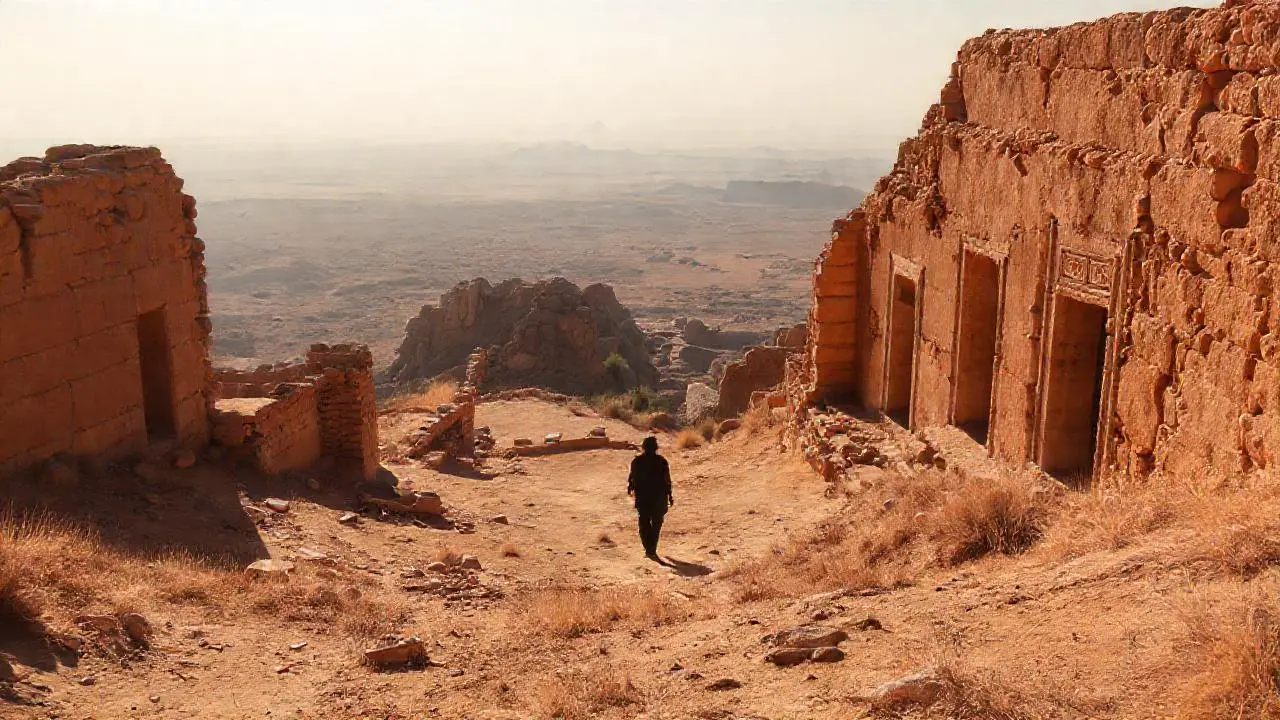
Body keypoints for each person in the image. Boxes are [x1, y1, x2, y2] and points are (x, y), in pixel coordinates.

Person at [627, 436, 674, 560]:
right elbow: (667, 481)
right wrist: (670, 495)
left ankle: (649, 548)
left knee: (644, 523)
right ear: (656, 448)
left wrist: (630, 488)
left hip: (643, 498)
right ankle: (651, 548)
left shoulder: (636, 461)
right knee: (656, 524)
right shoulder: (662, 461)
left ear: (643, 447)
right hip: (659, 499)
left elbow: (632, 478)